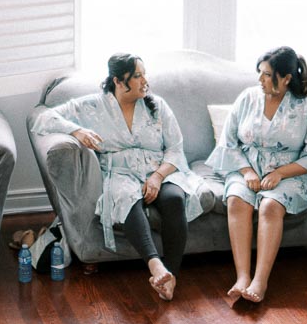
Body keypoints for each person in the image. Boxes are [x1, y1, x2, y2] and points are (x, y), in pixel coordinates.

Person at [31, 53, 206, 301]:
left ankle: (171, 275)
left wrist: (157, 177)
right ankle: (156, 266)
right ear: (118, 81)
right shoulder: (92, 106)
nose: (145, 80)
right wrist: (77, 131)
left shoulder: (158, 106)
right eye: (137, 76)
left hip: (161, 168)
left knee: (174, 199)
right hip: (119, 172)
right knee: (125, 200)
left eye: (145, 74)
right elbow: (42, 119)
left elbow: (175, 148)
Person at [208, 46, 307, 304]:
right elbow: (228, 142)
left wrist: (280, 173)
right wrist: (246, 170)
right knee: (236, 201)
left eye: (266, 74)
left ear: (286, 77)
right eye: (260, 73)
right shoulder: (247, 98)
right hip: (246, 167)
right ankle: (242, 276)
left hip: (288, 175)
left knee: (270, 206)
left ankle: (260, 281)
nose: (260, 80)